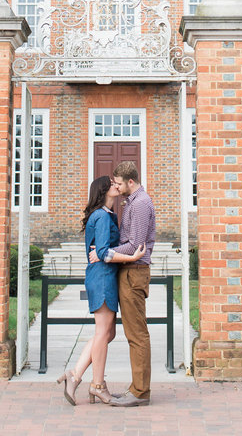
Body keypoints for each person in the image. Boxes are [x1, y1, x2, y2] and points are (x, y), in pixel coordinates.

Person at [57, 176, 145, 406]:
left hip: (103, 276)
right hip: (103, 278)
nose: (118, 186)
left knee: (106, 333)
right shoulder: (102, 217)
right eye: (113, 184)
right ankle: (96, 385)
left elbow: (104, 249)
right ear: (105, 190)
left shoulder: (105, 215)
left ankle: (75, 375)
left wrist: (107, 251)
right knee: (103, 332)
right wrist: (132, 256)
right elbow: (105, 252)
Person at [90, 160, 156, 408]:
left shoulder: (139, 204)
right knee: (132, 333)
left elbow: (135, 245)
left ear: (130, 182)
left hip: (134, 271)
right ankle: (136, 388)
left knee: (137, 334)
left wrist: (105, 251)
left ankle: (140, 392)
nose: (116, 187)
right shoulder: (132, 202)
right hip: (127, 270)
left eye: (118, 183)